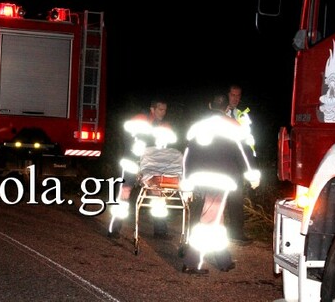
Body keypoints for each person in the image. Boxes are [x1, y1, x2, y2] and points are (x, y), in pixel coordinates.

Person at [181, 92, 260, 274]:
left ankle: (223, 260)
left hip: (199, 178)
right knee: (209, 219)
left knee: (216, 218)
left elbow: (187, 157)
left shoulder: (197, 126)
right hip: (221, 179)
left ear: (210, 106)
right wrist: (253, 175)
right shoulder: (233, 126)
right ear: (227, 108)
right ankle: (192, 262)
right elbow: (244, 153)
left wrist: (186, 184)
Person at [109, 98, 180, 239]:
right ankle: (114, 228)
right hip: (132, 162)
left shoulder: (164, 125)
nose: (163, 113)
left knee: (158, 195)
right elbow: (128, 139)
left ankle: (160, 230)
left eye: (165, 110)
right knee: (124, 193)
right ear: (152, 109)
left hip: (151, 165)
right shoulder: (140, 120)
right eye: (160, 109)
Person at [225, 84, 256, 245]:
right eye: (233, 95)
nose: (235, 98)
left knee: (236, 198)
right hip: (219, 161)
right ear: (227, 95)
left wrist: (249, 165)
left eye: (238, 95)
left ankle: (236, 233)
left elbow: (248, 141)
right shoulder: (218, 113)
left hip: (236, 163)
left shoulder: (242, 115)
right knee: (214, 198)